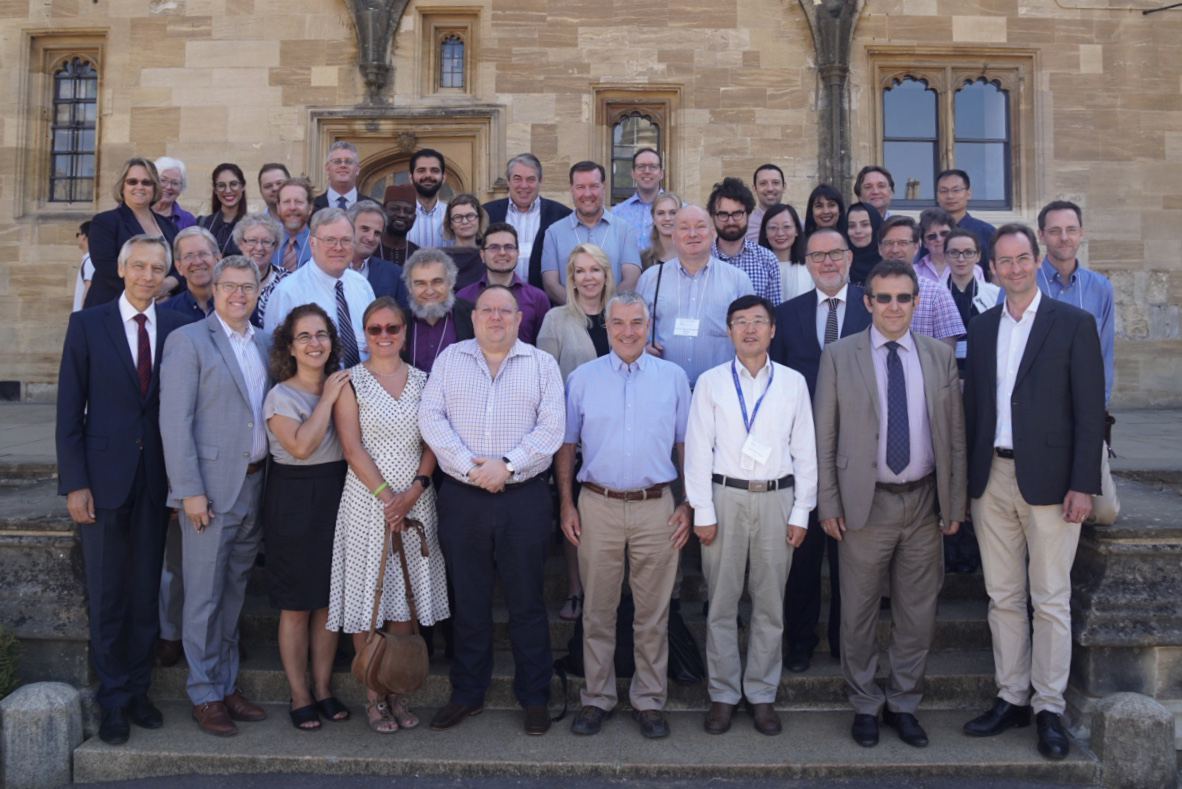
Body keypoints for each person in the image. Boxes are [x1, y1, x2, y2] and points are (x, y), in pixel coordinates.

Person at [962, 223, 1104, 761]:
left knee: (1050, 599)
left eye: (1023, 259)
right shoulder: (980, 328)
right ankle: (1011, 696)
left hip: (1051, 483)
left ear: (1036, 260)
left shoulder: (1073, 323)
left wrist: (1083, 484)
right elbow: (973, 408)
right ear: (992, 270)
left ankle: (1049, 707)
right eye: (1004, 261)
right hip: (991, 480)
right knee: (1002, 597)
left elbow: (1091, 413)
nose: (1015, 269)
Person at [814, 259, 966, 749]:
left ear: (917, 303)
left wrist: (954, 503)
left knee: (916, 613)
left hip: (923, 502)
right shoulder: (839, 356)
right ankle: (863, 703)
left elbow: (955, 437)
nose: (894, 307)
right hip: (865, 505)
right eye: (884, 298)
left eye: (903, 298)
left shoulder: (938, 357)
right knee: (856, 613)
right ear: (868, 302)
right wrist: (827, 503)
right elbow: (824, 436)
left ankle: (903, 703)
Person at [57, 234, 193, 745]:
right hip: (103, 482)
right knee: (108, 591)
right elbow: (68, 411)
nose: (147, 276)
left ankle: (138, 689)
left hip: (157, 481)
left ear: (166, 274)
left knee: (143, 592)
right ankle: (112, 697)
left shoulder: (181, 327)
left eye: (157, 268)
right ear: (121, 268)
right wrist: (75, 484)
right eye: (139, 266)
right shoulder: (87, 326)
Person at [419, 285, 565, 735]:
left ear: (520, 318)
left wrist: (507, 466)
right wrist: (470, 469)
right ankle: (467, 694)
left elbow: (552, 428)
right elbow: (431, 418)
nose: (496, 317)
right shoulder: (450, 360)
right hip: (463, 498)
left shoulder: (542, 365)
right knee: (470, 602)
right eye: (488, 310)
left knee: (526, 604)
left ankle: (535, 696)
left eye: (505, 310)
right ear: (474, 316)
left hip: (523, 499)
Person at [557, 291, 692, 740]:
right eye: (619, 323)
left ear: (648, 325)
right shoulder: (582, 378)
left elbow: (685, 445)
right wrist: (566, 502)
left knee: (652, 613)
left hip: (657, 507)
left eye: (637, 322)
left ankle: (649, 700)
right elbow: (567, 446)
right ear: (608, 326)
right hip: (598, 505)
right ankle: (596, 699)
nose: (629, 331)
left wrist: (688, 501)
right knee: (597, 611)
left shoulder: (673, 378)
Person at [685, 295, 817, 737]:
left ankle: (761, 693)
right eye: (740, 322)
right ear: (729, 331)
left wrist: (802, 510)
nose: (749, 329)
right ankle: (723, 694)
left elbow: (806, 451)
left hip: (778, 499)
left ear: (772, 330)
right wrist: (701, 509)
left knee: (769, 604)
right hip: (724, 498)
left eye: (758, 321)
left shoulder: (793, 383)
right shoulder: (710, 382)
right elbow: (698, 451)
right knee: (721, 602)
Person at [160, 254, 272, 737]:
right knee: (202, 596)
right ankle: (203, 691)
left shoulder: (267, 342)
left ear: (258, 290)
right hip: (207, 490)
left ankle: (225, 684)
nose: (239, 294)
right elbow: (174, 422)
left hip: (255, 483)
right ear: (215, 289)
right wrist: (188, 492)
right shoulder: (188, 341)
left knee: (232, 593)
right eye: (230, 286)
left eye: (248, 287)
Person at [329, 296, 451, 733]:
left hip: (417, 499)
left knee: (405, 600)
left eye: (392, 328)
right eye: (375, 329)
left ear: (404, 331)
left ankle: (397, 689)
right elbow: (351, 447)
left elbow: (434, 441)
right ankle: (373, 696)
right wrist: (387, 497)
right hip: (367, 502)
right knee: (369, 599)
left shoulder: (425, 380)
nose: (384, 336)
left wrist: (413, 491)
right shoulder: (350, 382)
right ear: (364, 335)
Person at [769, 228, 872, 673]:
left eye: (835, 254)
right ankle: (799, 642)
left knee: (852, 558)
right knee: (804, 556)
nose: (827, 262)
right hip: (802, 453)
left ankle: (843, 642)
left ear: (849, 257)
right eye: (818, 256)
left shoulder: (874, 307)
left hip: (858, 451)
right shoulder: (787, 314)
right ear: (806, 263)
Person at [262, 304, 352, 731]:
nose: (315, 344)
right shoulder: (281, 395)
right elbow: (301, 446)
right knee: (298, 605)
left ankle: (323, 688)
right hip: (295, 498)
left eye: (322, 335)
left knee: (329, 602)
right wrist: (329, 397)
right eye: (305, 337)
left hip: (338, 492)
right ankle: (298, 693)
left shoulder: (342, 384)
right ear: (290, 347)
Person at [536, 243, 616, 621]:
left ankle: (613, 595)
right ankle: (574, 590)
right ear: (571, 278)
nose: (588, 278)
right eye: (580, 271)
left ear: (605, 274)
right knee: (574, 515)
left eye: (594, 270)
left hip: (619, 435)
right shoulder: (556, 320)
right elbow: (545, 379)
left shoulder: (622, 314)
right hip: (576, 438)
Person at [637, 205, 754, 389]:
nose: (692, 234)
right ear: (673, 236)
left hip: (721, 391)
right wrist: (640, 350)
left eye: (700, 226)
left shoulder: (738, 280)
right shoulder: (650, 279)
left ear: (713, 233)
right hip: (663, 389)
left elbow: (751, 338)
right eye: (684, 228)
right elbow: (635, 330)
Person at [264, 207, 376, 369]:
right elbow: (277, 358)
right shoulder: (288, 293)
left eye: (346, 240)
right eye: (329, 240)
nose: (338, 247)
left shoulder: (362, 285)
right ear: (312, 243)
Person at [540, 161, 642, 304]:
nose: (587, 194)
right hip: (570, 319)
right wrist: (580, 311)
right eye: (580, 187)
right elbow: (551, 285)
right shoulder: (554, 232)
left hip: (611, 320)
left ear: (604, 187)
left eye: (593, 186)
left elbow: (631, 279)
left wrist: (606, 310)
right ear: (572, 189)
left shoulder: (624, 230)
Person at [84, 157, 180, 308]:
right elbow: (107, 267)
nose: (139, 187)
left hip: (161, 308)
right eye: (132, 181)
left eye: (146, 182)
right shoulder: (105, 222)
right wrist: (151, 288)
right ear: (122, 186)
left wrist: (170, 282)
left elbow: (179, 265)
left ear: (154, 187)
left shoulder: (168, 226)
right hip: (113, 307)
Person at [483, 153, 572, 287]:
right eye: (517, 179)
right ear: (508, 181)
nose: (524, 186)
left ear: (540, 181)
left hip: (545, 302)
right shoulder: (487, 214)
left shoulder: (562, 215)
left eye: (530, 179)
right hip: (496, 300)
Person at [456, 222, 550, 344]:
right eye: (494, 247)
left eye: (509, 247)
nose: (502, 253)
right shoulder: (463, 297)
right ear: (482, 255)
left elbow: (542, 347)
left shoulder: (538, 299)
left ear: (518, 253)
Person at [878, 216, 965, 347]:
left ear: (915, 248)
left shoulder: (937, 294)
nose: (895, 250)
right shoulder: (868, 292)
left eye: (903, 243)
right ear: (880, 248)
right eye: (889, 243)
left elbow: (946, 356)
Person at [401, 249, 475, 374]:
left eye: (437, 282)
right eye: (420, 283)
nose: (429, 291)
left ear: (450, 283)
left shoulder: (472, 316)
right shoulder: (398, 320)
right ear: (410, 288)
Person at [708, 178, 781, 304]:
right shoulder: (702, 258)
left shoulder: (767, 260)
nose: (730, 221)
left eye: (737, 214)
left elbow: (774, 312)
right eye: (723, 214)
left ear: (748, 214)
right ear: (713, 216)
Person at [944, 228, 998, 378]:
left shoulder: (995, 294)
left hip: (984, 372)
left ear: (978, 256)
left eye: (968, 252)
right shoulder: (934, 294)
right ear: (945, 256)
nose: (961, 259)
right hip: (943, 373)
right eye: (954, 252)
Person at [346, 201, 410, 308]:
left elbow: (402, 317)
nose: (371, 238)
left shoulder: (394, 274)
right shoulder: (328, 268)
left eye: (377, 233)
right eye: (365, 229)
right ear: (348, 228)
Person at [232, 212, 288, 329]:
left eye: (266, 242)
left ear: (275, 246)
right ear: (240, 243)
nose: (259, 248)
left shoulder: (288, 281)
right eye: (252, 240)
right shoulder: (226, 280)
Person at [611, 148, 666, 252]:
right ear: (633, 174)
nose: (647, 171)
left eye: (653, 167)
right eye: (641, 167)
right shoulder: (617, 213)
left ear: (661, 174)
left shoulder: (680, 210)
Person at [935, 169, 996, 262]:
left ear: (968, 193)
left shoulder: (987, 232)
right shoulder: (931, 234)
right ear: (937, 196)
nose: (950, 196)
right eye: (944, 191)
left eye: (956, 190)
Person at [161, 227, 219, 320]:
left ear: (217, 259)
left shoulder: (239, 305)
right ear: (179, 267)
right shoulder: (165, 313)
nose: (197, 262)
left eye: (203, 253)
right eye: (188, 256)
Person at [757, 203, 811, 303]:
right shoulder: (757, 268)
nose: (780, 233)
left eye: (786, 227)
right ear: (765, 233)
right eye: (773, 228)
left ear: (797, 231)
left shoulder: (810, 266)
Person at [197, 163, 248, 258]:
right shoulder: (201, 224)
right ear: (215, 189)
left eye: (234, 184)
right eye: (221, 185)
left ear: (243, 186)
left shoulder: (251, 227)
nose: (228, 190)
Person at [440, 193, 487, 290]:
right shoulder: (441, 259)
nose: (465, 222)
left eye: (470, 216)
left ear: (479, 219)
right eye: (458, 217)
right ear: (451, 224)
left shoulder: (488, 256)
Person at [313, 142, 375, 212]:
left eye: (348, 161)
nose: (343, 165)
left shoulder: (375, 208)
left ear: (357, 169)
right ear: (327, 169)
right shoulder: (311, 207)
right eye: (337, 161)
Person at [271, 178, 315, 272]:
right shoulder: (267, 244)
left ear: (310, 208)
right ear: (278, 208)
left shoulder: (320, 246)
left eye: (299, 202)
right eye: (286, 202)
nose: (292, 207)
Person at [407, 149, 447, 250]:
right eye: (421, 170)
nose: (428, 175)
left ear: (443, 177)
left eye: (435, 171)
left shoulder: (452, 215)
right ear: (411, 177)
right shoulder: (400, 217)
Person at [377, 184, 420, 267]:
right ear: (383, 212)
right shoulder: (370, 248)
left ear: (414, 218)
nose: (401, 215)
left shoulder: (419, 255)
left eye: (408, 211)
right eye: (394, 209)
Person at [843, 202, 883, 287]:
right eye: (852, 226)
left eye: (865, 225)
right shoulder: (839, 263)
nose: (858, 231)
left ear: (875, 226)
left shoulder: (888, 264)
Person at [640, 193, 681, 271]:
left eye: (673, 213)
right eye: (661, 213)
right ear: (653, 218)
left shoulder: (692, 257)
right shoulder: (643, 260)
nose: (667, 218)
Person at [153, 156, 196, 231]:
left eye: (175, 183)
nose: (169, 187)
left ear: (181, 189)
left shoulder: (187, 221)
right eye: (163, 180)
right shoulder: (139, 214)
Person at [745, 163, 786, 243]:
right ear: (754, 189)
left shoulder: (798, 225)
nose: (770, 189)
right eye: (763, 183)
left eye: (775, 182)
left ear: (784, 187)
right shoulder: (744, 226)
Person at [914, 207, 955, 283]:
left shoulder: (971, 269)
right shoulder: (913, 272)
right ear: (924, 243)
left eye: (944, 233)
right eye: (932, 236)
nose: (939, 239)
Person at [72, 221, 94, 312]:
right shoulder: (89, 260)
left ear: (84, 237)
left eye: (78, 234)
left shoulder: (90, 261)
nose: (77, 238)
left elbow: (88, 292)